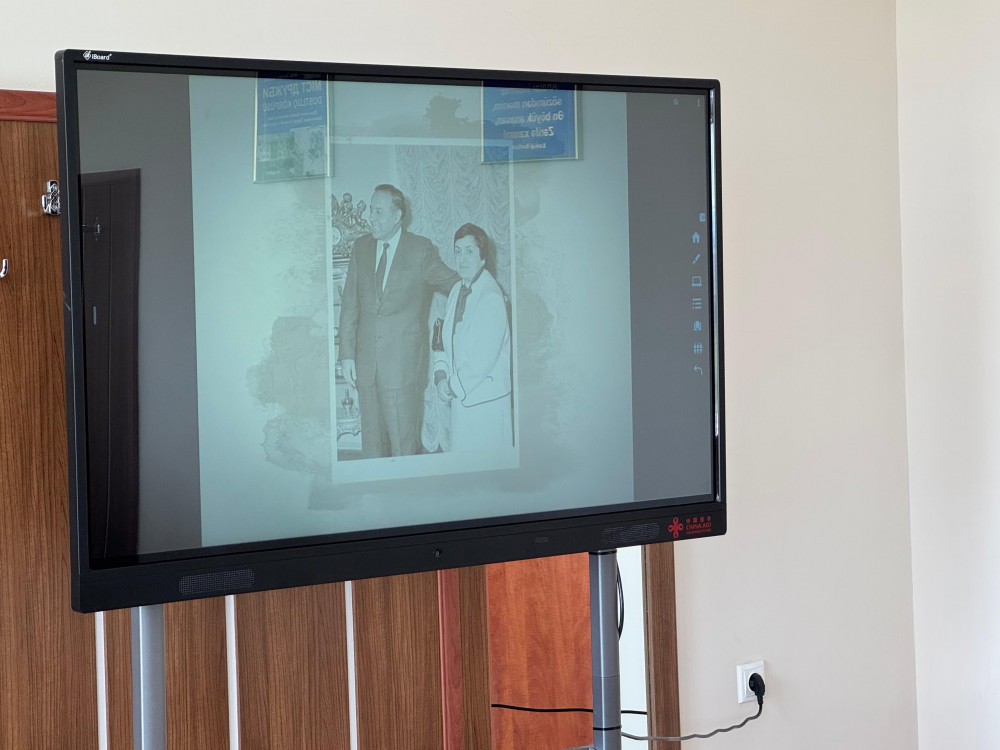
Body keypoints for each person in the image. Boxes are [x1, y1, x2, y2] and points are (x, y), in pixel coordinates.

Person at [339, 184, 459, 458]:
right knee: (372, 447)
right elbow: (349, 305)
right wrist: (346, 355)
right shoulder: (361, 248)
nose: (371, 217)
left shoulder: (420, 249)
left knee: (404, 447)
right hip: (366, 367)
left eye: (378, 212)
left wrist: (484, 291)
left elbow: (454, 283)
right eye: (371, 210)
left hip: (403, 369)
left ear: (397, 216)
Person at [434, 223, 513, 452]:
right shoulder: (456, 291)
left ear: (483, 256)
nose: (462, 258)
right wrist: (440, 375)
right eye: (458, 251)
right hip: (462, 400)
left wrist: (451, 386)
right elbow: (444, 340)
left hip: (487, 403)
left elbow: (482, 360)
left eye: (469, 251)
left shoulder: (491, 297)